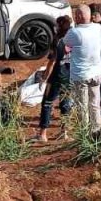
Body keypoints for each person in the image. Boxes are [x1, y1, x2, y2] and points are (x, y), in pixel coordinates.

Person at [63, 5, 101, 134]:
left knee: (82, 108)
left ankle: (85, 135)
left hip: (81, 76)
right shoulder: (98, 28)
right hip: (96, 73)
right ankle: (96, 131)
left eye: (75, 15)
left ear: (80, 17)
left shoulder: (75, 32)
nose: (74, 18)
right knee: (94, 105)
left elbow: (66, 43)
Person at [33, 15, 72, 143]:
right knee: (65, 104)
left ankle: (43, 134)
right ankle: (64, 133)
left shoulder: (57, 41)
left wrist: (44, 77)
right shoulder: (74, 39)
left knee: (47, 103)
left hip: (56, 77)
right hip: (69, 76)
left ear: (60, 26)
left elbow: (52, 62)